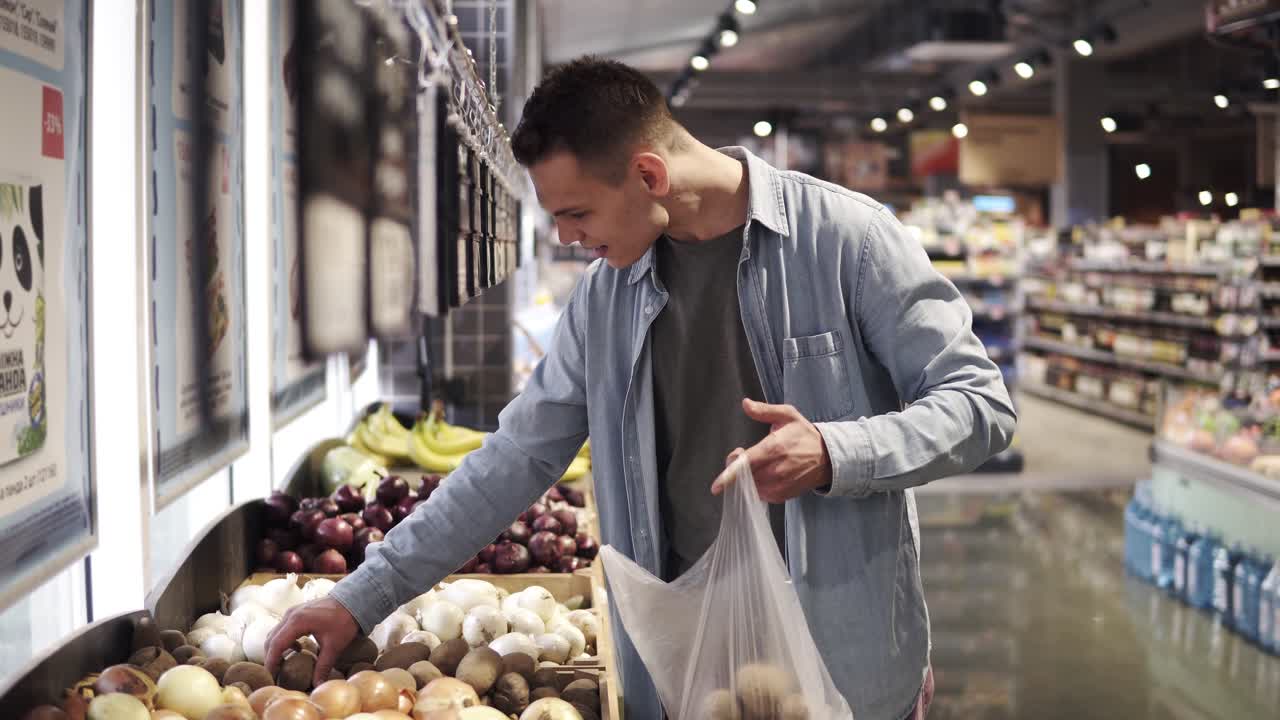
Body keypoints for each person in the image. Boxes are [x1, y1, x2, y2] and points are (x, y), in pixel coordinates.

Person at [266, 56, 1015, 720]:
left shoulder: (846, 240)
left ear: (650, 176)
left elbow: (980, 405)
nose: (566, 239)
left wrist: (836, 448)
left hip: (844, 664)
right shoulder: (604, 299)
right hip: (682, 667)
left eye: (577, 213)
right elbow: (514, 458)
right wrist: (356, 598)